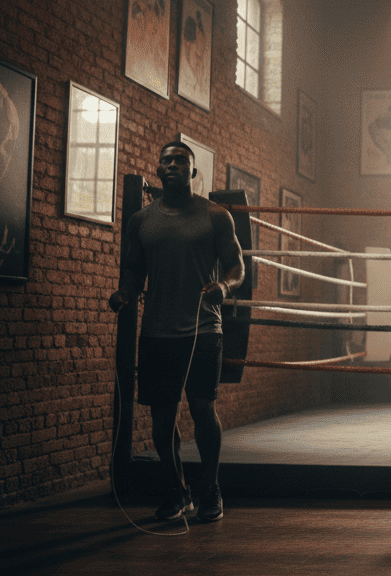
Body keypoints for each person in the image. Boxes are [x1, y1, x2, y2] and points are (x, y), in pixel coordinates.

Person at [109, 141, 245, 523]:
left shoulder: (216, 216)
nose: (172, 166)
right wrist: (125, 292)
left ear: (193, 172)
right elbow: (133, 270)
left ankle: (210, 489)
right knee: (162, 420)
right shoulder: (141, 221)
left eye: (180, 161)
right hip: (157, 333)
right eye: (166, 161)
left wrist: (224, 288)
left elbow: (237, 268)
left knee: (203, 410)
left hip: (203, 330)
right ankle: (177, 491)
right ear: (158, 171)